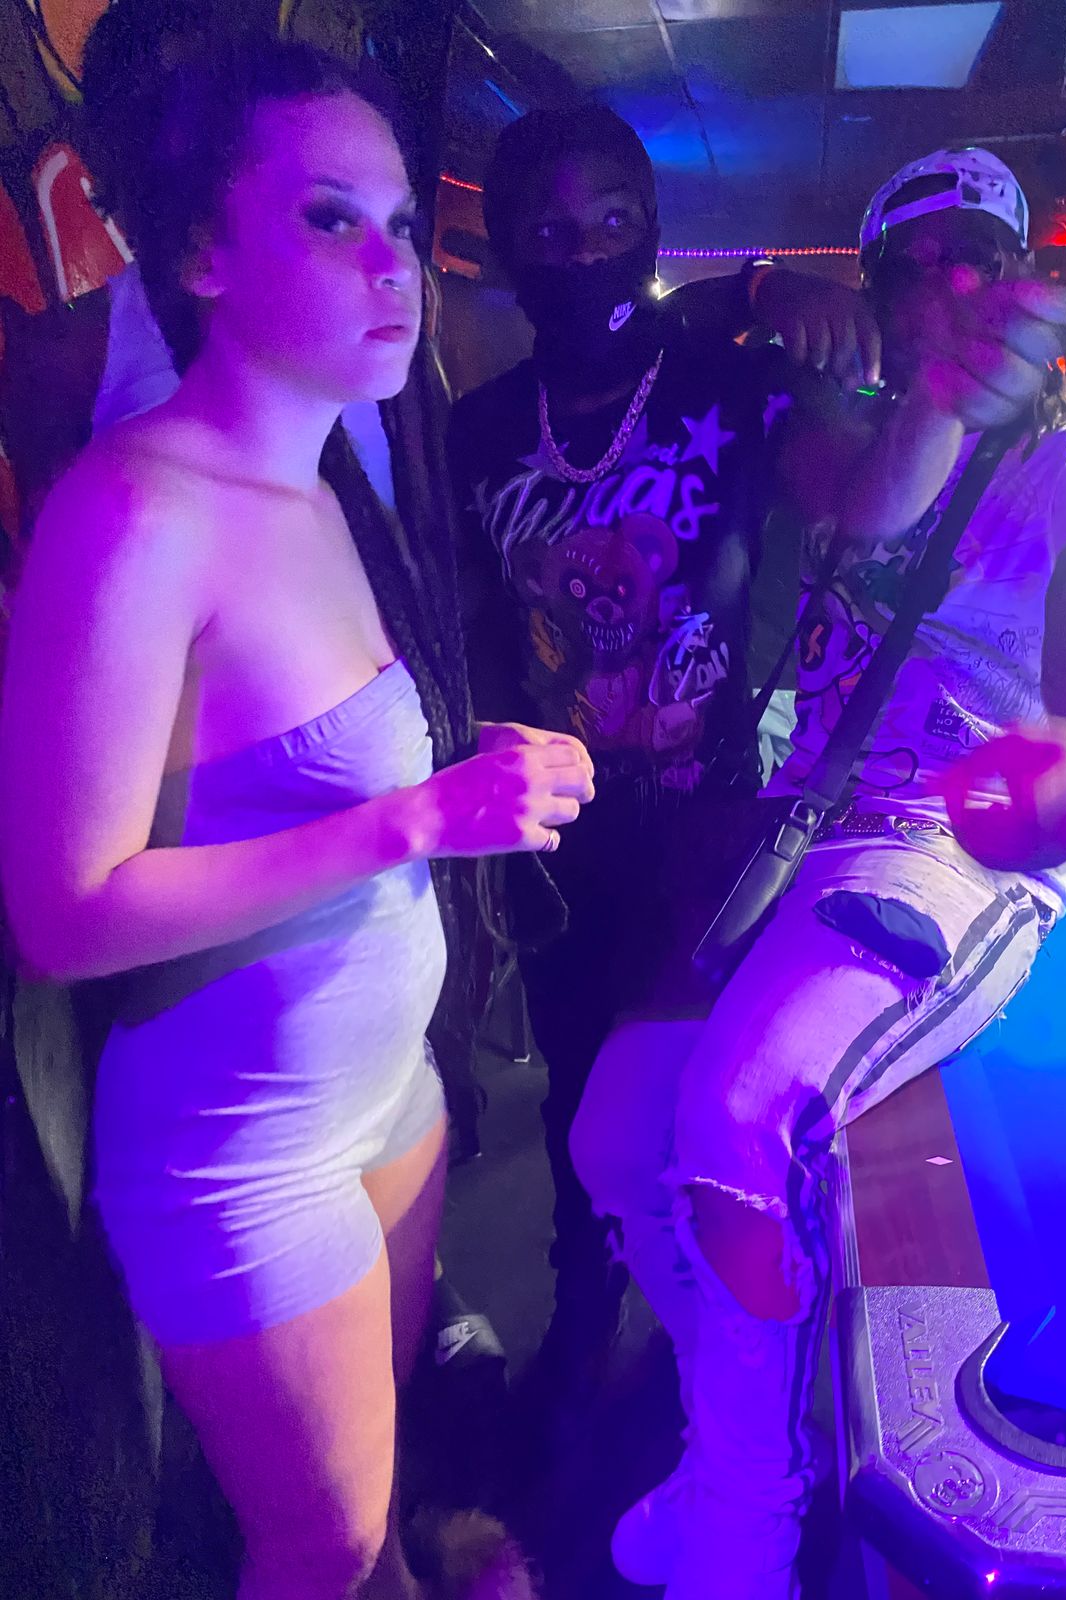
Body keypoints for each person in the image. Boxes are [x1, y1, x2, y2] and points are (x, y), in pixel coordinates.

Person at [0, 41, 594, 1600]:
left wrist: (463, 770)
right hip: (238, 1143)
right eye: (333, 218)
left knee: (369, 1510)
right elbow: (64, 911)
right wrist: (415, 821)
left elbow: (302, 766)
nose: (394, 266)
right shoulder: (134, 511)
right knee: (315, 1549)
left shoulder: (329, 483)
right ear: (202, 251)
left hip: (384, 1098)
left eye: (401, 224)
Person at [568, 147, 1066, 1598]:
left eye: (982, 255)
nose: (953, 281)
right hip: (798, 831)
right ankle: (763, 1421)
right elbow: (873, 504)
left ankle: (744, 1524)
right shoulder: (842, 429)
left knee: (742, 1118)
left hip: (946, 841)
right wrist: (887, 366)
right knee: (613, 1133)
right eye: (917, 264)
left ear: (1019, 272)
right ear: (880, 290)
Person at [448, 109, 1066, 1387]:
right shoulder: (478, 431)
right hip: (556, 847)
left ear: (651, 227)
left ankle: (717, 1382)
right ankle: (588, 1343)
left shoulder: (730, 384)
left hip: (715, 830)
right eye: (551, 232)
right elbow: (466, 632)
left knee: (691, 1117)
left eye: (616, 222)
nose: (587, 252)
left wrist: (914, 377)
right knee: (577, 1115)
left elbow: (866, 498)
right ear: (505, 246)